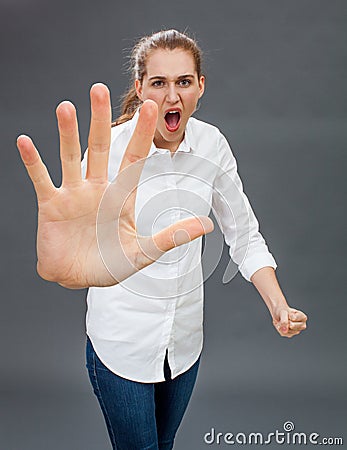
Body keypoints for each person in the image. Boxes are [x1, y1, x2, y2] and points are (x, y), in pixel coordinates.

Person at [17, 29, 308, 450]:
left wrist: (278, 305)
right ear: (139, 88)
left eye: (183, 82)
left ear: (200, 87)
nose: (172, 96)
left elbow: (244, 235)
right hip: (121, 350)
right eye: (158, 83)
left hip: (186, 346)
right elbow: (77, 241)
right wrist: (67, 259)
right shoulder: (110, 151)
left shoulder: (212, 145)